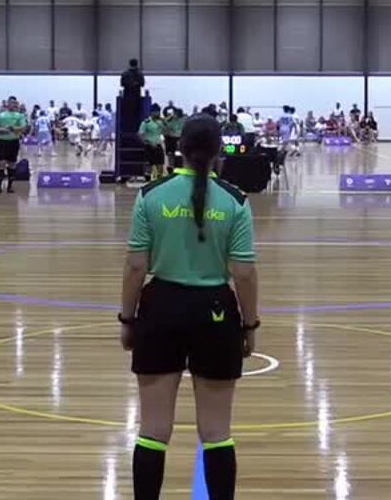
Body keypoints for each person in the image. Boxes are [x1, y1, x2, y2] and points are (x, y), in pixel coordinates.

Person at [119, 114, 258, 500]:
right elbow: (244, 274)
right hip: (215, 312)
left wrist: (127, 319)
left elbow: (135, 266)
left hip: (159, 308)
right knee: (216, 433)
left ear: (178, 149)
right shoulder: (235, 201)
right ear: (218, 153)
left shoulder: (151, 195)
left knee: (153, 431)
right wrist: (249, 326)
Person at [139, 104, 167, 181]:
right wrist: (146, 142)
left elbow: (166, 131)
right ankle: (147, 179)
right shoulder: (146, 122)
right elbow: (140, 134)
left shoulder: (160, 122)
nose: (158, 113)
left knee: (160, 164)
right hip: (149, 146)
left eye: (159, 112)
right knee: (148, 165)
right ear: (152, 112)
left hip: (158, 145)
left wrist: (164, 122)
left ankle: (159, 180)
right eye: (156, 112)